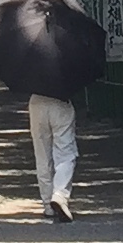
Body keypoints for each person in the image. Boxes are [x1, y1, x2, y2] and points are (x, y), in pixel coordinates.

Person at [28, 89, 76, 221]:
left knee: (42, 155)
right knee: (65, 153)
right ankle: (60, 194)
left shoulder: (32, 74)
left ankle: (48, 204)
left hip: (37, 102)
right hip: (60, 100)